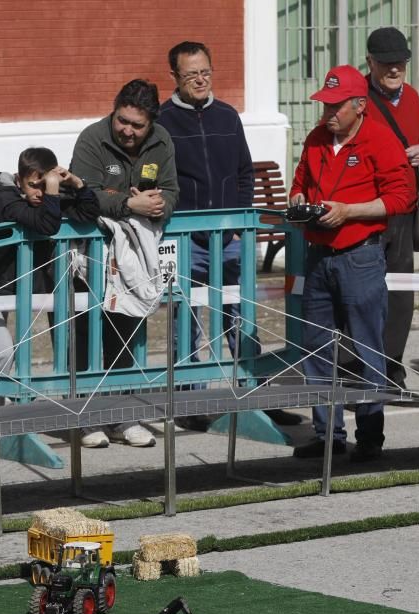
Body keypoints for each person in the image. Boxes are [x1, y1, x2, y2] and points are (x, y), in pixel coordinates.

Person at [157, 40, 303, 430]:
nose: (201, 80)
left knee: (241, 317)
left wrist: (239, 225)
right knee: (186, 319)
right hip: (186, 240)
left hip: (230, 240)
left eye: (206, 72)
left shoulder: (227, 116)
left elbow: (243, 173)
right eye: (191, 75)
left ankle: (256, 395)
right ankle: (191, 404)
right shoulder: (162, 121)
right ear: (174, 76)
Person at [288, 65, 415, 462]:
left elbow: (401, 198)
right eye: (325, 104)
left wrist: (350, 212)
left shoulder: (381, 139)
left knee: (366, 347)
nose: (328, 113)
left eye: (335, 105)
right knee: (316, 347)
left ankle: (370, 436)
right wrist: (297, 201)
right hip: (319, 257)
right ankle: (328, 434)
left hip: (361, 256)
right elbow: (299, 181)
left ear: (359, 105)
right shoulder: (316, 139)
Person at [70, 79, 179, 447]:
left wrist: (161, 204)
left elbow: (172, 189)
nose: (128, 131)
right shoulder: (91, 138)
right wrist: (129, 205)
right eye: (122, 121)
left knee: (126, 331)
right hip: (89, 256)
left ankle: (122, 415)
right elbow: (84, 193)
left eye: (137, 125)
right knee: (84, 333)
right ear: (114, 110)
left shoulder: (162, 140)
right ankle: (85, 418)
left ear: (151, 123)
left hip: (134, 257)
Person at [0, 147, 99, 411]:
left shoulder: (48, 198)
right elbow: (45, 225)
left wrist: (77, 184)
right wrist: (54, 193)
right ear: (19, 180)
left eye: (45, 185)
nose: (40, 193)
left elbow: (90, 213)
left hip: (15, 289)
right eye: (33, 185)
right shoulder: (4, 196)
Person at [361, 26, 419, 391]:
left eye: (400, 62)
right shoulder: (358, 99)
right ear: (370, 61)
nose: (394, 69)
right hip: (368, 210)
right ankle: (361, 369)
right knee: (365, 296)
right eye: (386, 63)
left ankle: (392, 368)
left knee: (401, 295)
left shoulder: (414, 98)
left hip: (404, 209)